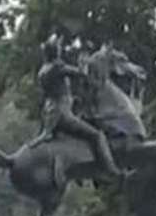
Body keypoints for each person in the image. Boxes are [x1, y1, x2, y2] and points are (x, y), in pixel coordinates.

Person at [36, 36, 126, 181]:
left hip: (49, 114)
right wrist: (83, 63)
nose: (60, 52)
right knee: (97, 136)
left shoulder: (42, 71)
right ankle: (111, 171)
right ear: (55, 53)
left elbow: (54, 92)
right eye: (59, 50)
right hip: (63, 114)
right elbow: (81, 74)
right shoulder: (57, 67)